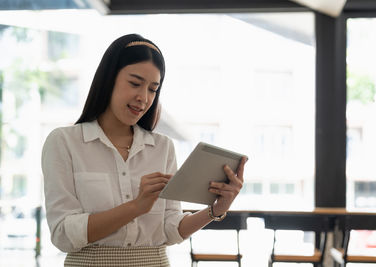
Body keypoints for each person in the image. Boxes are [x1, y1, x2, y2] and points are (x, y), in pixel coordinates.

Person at [42, 33, 246, 267]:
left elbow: (170, 229)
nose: (143, 97)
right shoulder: (64, 142)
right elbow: (63, 234)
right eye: (135, 83)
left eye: (153, 89)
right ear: (109, 78)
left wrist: (216, 209)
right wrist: (135, 207)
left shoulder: (162, 147)